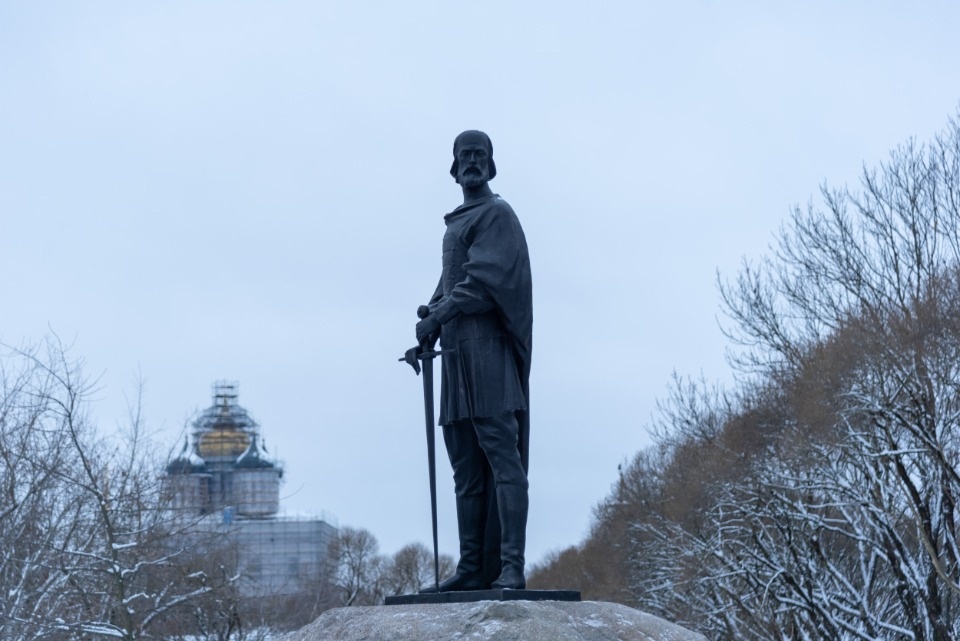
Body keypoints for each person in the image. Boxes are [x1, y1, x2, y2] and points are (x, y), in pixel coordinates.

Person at [414, 130, 533, 591]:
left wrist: (440, 312)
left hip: (489, 354)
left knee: (504, 460)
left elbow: (483, 282)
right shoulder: (458, 222)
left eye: (479, 155)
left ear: (490, 163)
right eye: (464, 155)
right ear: (453, 166)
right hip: (455, 356)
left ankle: (511, 567)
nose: (471, 161)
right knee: (465, 469)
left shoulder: (497, 214)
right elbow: (451, 280)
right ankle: (470, 569)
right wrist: (429, 321)